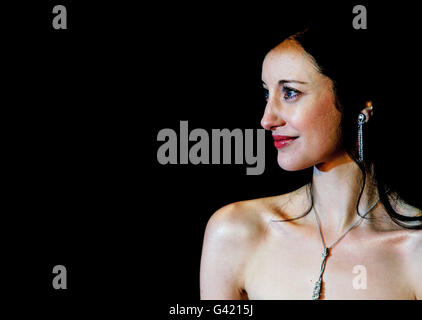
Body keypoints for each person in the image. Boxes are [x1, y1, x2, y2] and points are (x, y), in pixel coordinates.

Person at [199, 23, 422, 299]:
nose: (267, 120)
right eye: (267, 94)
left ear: (361, 105)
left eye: (290, 93)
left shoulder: (414, 251)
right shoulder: (237, 231)